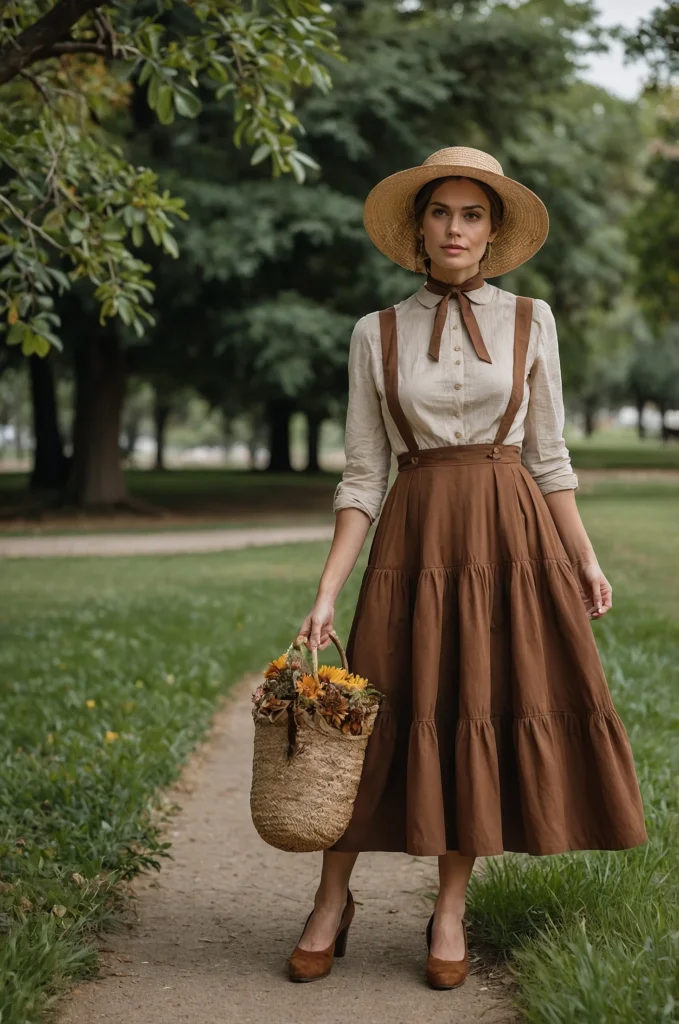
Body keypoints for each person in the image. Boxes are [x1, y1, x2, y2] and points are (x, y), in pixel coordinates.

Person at [289, 147, 648, 989]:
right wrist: (326, 590)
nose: (455, 228)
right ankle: (329, 901)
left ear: (492, 232)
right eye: (442, 212)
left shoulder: (533, 319)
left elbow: (549, 454)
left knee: (475, 710)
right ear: (419, 227)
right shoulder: (374, 332)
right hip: (411, 542)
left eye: (472, 214)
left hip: (507, 538)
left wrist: (583, 556)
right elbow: (363, 473)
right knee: (378, 722)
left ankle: (448, 910)